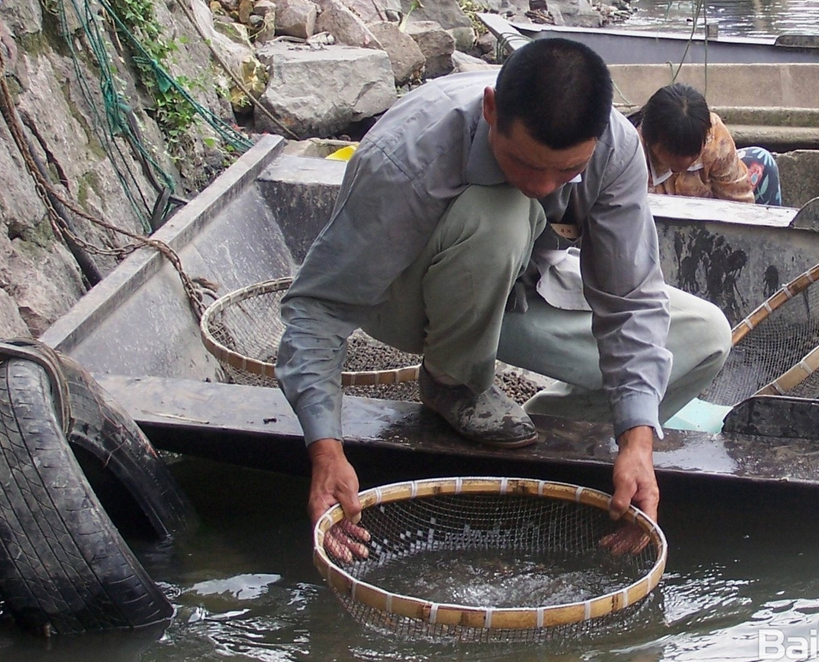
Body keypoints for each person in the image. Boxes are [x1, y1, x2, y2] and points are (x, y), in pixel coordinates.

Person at [275, 39, 732, 554]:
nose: (543, 186)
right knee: (504, 214)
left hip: (518, 281)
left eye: (567, 172)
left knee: (704, 336)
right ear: (491, 110)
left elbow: (629, 300)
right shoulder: (408, 156)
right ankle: (452, 382)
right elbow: (320, 308)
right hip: (407, 296)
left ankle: (561, 431)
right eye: (525, 163)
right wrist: (326, 452)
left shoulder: (616, 148)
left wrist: (637, 442)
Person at [634, 83, 783, 206]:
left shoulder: (716, 140)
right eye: (674, 153)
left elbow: (739, 203)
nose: (684, 162)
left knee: (762, 160)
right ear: (651, 141)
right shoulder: (632, 154)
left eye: (692, 154)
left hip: (711, 210)